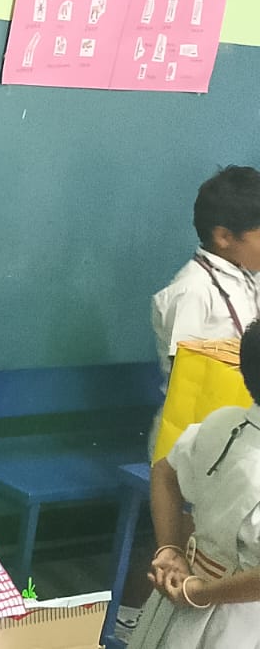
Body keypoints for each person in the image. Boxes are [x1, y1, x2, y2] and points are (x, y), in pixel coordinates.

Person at [128, 319, 260, 648]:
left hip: (184, 584)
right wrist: (200, 593)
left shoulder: (222, 421)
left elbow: (164, 472)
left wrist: (169, 548)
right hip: (238, 615)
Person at [151, 166, 260, 378]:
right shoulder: (192, 291)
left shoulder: (249, 277)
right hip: (212, 399)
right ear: (224, 237)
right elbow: (187, 378)